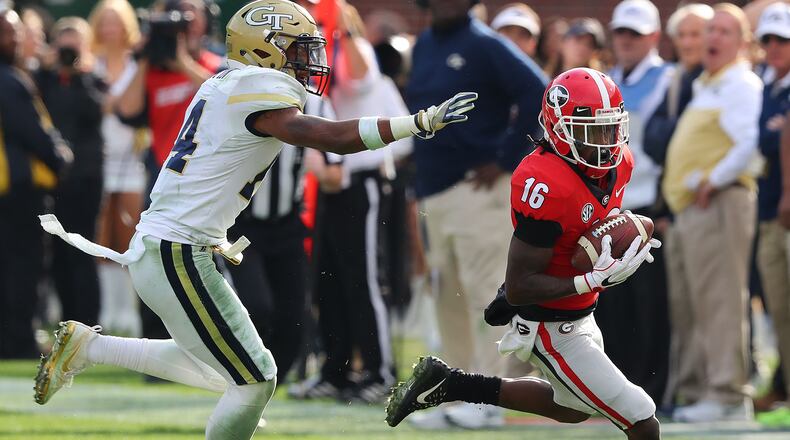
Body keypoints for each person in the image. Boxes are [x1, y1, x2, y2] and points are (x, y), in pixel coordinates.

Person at [33, 1, 476, 439]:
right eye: (296, 50)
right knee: (256, 379)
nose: (307, 62)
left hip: (173, 249)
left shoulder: (230, 83)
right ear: (264, 49)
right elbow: (332, 139)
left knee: (223, 367)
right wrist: (417, 122)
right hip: (178, 252)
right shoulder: (256, 87)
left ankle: (88, 346)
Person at [386, 67, 661, 440]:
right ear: (559, 130)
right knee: (642, 417)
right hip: (549, 326)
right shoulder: (545, 183)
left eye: (610, 129)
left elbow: (588, 233)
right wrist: (593, 277)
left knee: (572, 409)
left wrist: (619, 240)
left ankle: (450, 385)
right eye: (591, 132)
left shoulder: (620, 163)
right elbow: (518, 288)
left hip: (581, 313)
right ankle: (452, 386)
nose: (605, 143)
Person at [405, 0, 546, 429]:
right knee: (447, 296)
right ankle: (455, 396)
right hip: (436, 193)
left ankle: (489, 397)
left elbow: (539, 89)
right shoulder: (426, 43)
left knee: (486, 294)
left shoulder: (485, 43)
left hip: (478, 189)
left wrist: (507, 156)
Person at [662, 3, 762, 423]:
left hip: (719, 203)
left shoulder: (741, 82)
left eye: (724, 31)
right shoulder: (708, 82)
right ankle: (701, 391)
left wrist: (713, 179)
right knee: (694, 304)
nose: (713, 38)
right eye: (710, 31)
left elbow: (747, 144)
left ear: (742, 42)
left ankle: (727, 396)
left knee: (721, 301)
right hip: (694, 209)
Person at [116, 0, 222, 346]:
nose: (187, 24)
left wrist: (182, 62)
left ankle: (210, 342)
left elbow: (225, 98)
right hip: (162, 177)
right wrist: (147, 58)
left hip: (207, 181)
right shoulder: (153, 70)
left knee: (206, 261)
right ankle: (155, 344)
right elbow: (127, 109)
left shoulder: (214, 65)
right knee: (151, 257)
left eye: (193, 17)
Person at [596, 0, 674, 404]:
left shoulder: (669, 79)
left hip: (648, 210)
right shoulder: (605, 80)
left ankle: (649, 392)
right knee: (612, 308)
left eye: (635, 33)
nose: (625, 40)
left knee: (649, 310)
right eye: (620, 32)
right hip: (611, 211)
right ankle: (615, 392)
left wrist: (665, 208)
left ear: (654, 37)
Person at [643, 3, 713, 409]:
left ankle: (715, 389)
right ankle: (688, 391)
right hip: (676, 206)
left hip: (711, 202)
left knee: (714, 304)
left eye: (698, 34)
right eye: (683, 35)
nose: (690, 43)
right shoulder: (676, 78)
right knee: (682, 308)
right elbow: (653, 138)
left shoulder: (721, 82)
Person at [0, 8, 72, 359]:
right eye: (8, 32)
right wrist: (60, 158)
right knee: (22, 267)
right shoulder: (9, 81)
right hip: (17, 191)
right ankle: (18, 341)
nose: (15, 39)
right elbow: (33, 134)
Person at [34, 17, 106, 326]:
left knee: (82, 247)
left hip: (87, 176)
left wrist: (78, 75)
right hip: (54, 178)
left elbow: (96, 110)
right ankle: (65, 321)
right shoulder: (43, 79)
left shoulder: (93, 79)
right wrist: (50, 69)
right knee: (58, 254)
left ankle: (88, 322)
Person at [90, 0, 146, 336]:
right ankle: (108, 313)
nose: (110, 28)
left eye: (116, 21)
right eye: (105, 21)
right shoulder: (89, 63)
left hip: (132, 157)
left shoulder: (135, 64)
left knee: (130, 234)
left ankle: (131, 314)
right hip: (97, 158)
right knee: (100, 237)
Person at [754, 1, 790, 411]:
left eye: (784, 39)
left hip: (785, 212)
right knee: (779, 311)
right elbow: (762, 141)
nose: (776, 46)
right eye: (769, 39)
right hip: (768, 214)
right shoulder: (766, 87)